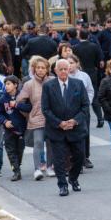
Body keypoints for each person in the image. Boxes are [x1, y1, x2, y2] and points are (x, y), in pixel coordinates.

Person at [41, 59, 89, 196]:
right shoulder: (48, 86)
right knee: (59, 159)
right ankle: (62, 185)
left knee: (80, 156)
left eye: (65, 69)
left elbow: (85, 106)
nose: (63, 71)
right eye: (60, 69)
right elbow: (45, 109)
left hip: (76, 129)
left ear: (69, 70)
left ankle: (73, 179)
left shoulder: (78, 84)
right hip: (57, 130)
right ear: (55, 71)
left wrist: (74, 121)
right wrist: (59, 123)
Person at [17, 56, 55, 180]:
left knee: (50, 143)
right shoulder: (28, 84)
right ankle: (37, 169)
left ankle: (49, 167)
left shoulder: (53, 81)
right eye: (38, 67)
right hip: (36, 119)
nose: (40, 70)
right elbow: (19, 101)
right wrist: (29, 114)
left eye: (43, 68)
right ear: (34, 69)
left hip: (51, 119)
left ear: (47, 69)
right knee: (38, 142)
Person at [0, 75, 30, 181]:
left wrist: (16, 105)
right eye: (5, 84)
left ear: (15, 85)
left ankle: (17, 166)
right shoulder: (3, 99)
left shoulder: (23, 96)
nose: (6, 86)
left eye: (9, 84)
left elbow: (29, 107)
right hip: (9, 130)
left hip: (21, 129)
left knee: (20, 150)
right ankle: (16, 171)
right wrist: (5, 122)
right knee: (10, 151)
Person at [67, 55, 96, 169]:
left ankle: (85, 157)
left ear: (77, 64)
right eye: (68, 63)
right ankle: (72, 157)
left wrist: (86, 103)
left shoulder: (84, 76)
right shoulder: (65, 76)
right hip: (69, 109)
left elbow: (90, 90)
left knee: (84, 132)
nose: (70, 66)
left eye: (72, 63)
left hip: (83, 109)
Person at [73, 30, 105, 128]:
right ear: (88, 36)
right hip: (92, 72)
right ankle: (100, 117)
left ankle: (82, 117)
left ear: (79, 36)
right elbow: (101, 61)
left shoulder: (75, 48)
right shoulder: (94, 46)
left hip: (79, 73)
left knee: (78, 96)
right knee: (93, 95)